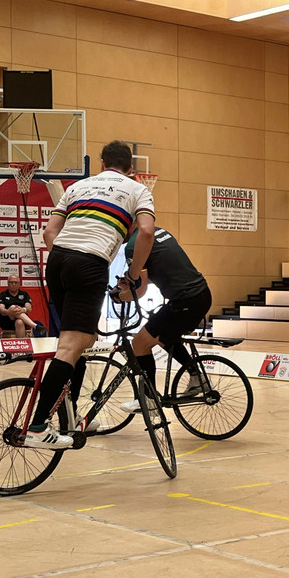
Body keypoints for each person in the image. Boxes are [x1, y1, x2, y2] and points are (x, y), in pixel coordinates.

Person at [22, 140, 156, 448]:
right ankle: (38, 427)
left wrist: (68, 259)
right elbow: (147, 232)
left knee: (82, 340)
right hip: (90, 262)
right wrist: (134, 275)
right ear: (131, 168)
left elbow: (49, 232)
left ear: (101, 164)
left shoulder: (78, 187)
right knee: (71, 346)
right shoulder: (137, 189)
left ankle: (69, 417)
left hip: (58, 260)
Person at [116, 226, 212, 412]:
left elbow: (139, 292)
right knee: (164, 337)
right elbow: (160, 270)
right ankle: (197, 377)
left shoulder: (133, 245)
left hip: (184, 301)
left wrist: (118, 297)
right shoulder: (158, 231)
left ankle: (148, 399)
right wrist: (130, 281)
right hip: (201, 296)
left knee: (140, 343)